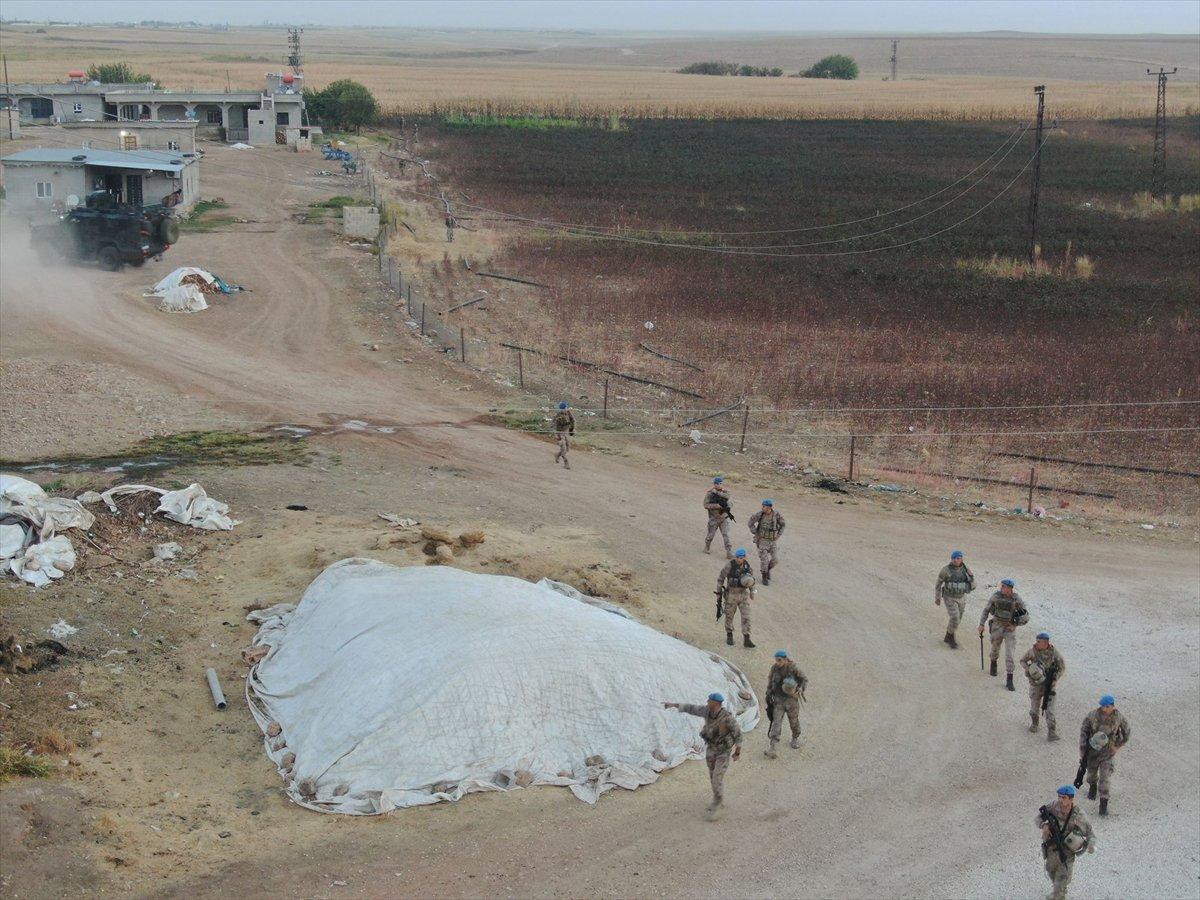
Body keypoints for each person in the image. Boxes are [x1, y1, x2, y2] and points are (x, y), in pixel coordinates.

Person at [663, 692, 742, 819]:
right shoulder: (707, 712)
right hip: (711, 749)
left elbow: (738, 734)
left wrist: (737, 752)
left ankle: (718, 803)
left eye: (709, 701)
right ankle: (717, 798)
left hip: (723, 752)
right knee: (712, 775)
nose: (707, 702)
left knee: (716, 777)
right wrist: (673, 705)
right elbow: (691, 708)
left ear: (716, 703)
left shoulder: (727, 718)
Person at [1036, 784, 1095, 900]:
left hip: (1067, 853)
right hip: (1051, 849)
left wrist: (1091, 845)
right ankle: (1058, 890)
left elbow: (1090, 834)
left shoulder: (1078, 815)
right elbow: (1038, 818)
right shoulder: (1053, 807)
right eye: (1059, 796)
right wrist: (1044, 825)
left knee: (1062, 878)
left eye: (1064, 798)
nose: (1060, 800)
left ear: (1071, 799)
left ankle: (1059, 893)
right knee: (1050, 870)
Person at [1079, 695, 1131, 816]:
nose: (1104, 709)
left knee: (1105, 778)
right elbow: (1084, 730)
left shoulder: (1118, 717)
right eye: (1103, 706)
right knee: (1091, 773)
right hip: (1092, 751)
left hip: (1107, 753)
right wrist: (1082, 749)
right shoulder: (1093, 715)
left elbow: (1126, 732)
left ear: (1113, 706)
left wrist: (1117, 746)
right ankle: (1092, 786)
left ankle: (1103, 804)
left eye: (1107, 706)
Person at [978, 578, 1029, 690]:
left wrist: (1015, 624)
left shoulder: (1016, 599)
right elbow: (986, 610)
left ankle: (1009, 679)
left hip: (1009, 629)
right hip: (997, 626)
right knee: (995, 648)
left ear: (1010, 588)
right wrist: (981, 624)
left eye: (1004, 586)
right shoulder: (996, 596)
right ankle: (993, 663)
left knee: (1010, 653)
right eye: (1001, 586)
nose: (1001, 588)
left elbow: (1026, 616)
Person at [1021, 632, 1066, 741]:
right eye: (1037, 641)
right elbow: (1022, 660)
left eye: (1039, 641)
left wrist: (1055, 679)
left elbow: (1062, 667)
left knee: (1050, 710)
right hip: (1036, 684)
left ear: (1046, 643)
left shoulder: (1054, 653)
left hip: (1049, 685)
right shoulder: (1032, 652)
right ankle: (1034, 723)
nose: (1036, 643)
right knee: (1034, 708)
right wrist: (1029, 669)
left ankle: (1051, 732)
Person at [764, 649, 807, 758]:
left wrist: (801, 688)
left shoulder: (793, 668)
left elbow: (804, 679)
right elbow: (770, 681)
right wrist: (768, 693)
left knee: (793, 721)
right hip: (779, 700)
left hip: (791, 700)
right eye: (776, 660)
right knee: (776, 722)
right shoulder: (774, 669)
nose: (777, 662)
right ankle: (772, 747)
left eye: (779, 660)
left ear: (785, 659)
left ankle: (795, 737)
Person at [934, 550, 975, 648]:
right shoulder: (945, 570)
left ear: (961, 559)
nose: (955, 560)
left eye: (958, 558)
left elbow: (972, 582)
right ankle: (951, 638)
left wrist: (971, 579)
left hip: (961, 597)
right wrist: (937, 597)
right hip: (949, 597)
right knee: (955, 618)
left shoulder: (965, 569)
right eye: (953, 558)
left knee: (958, 618)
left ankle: (948, 635)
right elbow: (938, 584)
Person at [717, 549, 756, 648]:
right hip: (732, 594)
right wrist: (718, 592)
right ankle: (729, 635)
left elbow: (751, 580)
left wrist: (752, 591)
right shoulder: (729, 566)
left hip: (743, 594)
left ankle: (747, 638)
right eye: (737, 557)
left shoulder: (747, 566)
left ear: (744, 557)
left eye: (741, 558)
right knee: (729, 616)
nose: (739, 559)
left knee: (746, 616)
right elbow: (721, 578)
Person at [747, 500, 785, 586]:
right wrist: (755, 532)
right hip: (762, 541)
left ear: (769, 507)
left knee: (775, 560)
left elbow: (783, 524)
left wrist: (778, 535)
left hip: (772, 541)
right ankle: (764, 576)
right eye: (762, 506)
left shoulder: (776, 515)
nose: (762, 508)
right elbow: (750, 522)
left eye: (764, 506)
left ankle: (767, 570)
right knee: (764, 560)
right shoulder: (760, 514)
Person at [703, 476, 734, 558]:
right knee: (711, 535)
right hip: (714, 518)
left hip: (723, 518)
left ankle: (729, 552)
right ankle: (707, 547)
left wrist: (727, 506)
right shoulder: (710, 493)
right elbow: (705, 505)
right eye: (718, 483)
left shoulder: (725, 492)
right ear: (715, 484)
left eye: (721, 483)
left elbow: (728, 498)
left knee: (726, 535)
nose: (720, 485)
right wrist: (717, 506)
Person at [552, 402, 575, 469]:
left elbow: (573, 421)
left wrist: (571, 430)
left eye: (566, 407)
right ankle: (566, 463)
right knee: (564, 449)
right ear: (561, 409)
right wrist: (556, 435)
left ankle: (557, 455)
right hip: (559, 433)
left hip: (565, 432)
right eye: (565, 408)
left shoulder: (568, 413)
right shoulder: (558, 416)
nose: (566, 409)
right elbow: (553, 424)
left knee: (568, 448)